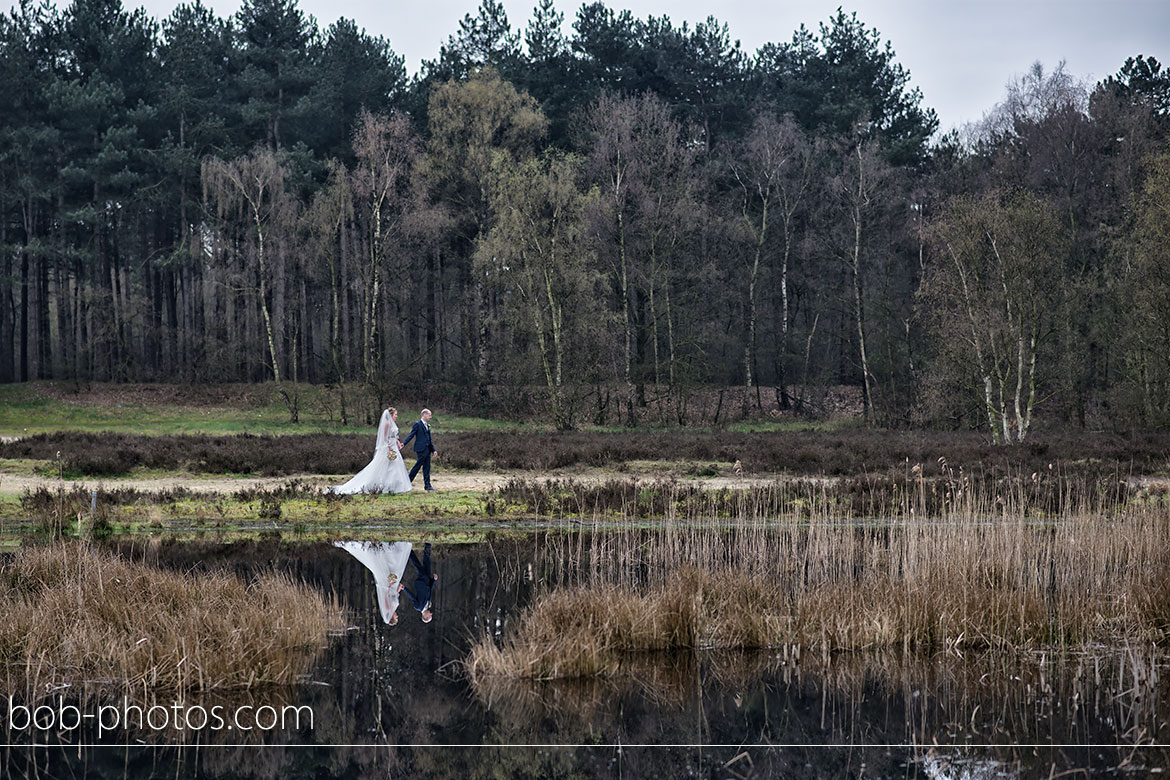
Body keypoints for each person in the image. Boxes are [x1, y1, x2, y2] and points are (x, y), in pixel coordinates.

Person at [327, 408, 412, 494]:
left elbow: (394, 436)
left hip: (394, 446)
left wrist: (398, 443)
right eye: (395, 415)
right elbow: (385, 437)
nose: (396, 416)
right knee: (385, 465)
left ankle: (395, 485)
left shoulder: (393, 424)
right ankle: (382, 484)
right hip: (388, 447)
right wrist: (389, 447)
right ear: (390, 415)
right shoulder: (387, 424)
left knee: (395, 465)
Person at [333, 541, 412, 626]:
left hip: (387, 584)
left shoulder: (389, 609)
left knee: (383, 565)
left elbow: (386, 597)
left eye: (396, 618)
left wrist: (389, 587)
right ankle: (387, 548)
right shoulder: (393, 608)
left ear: (391, 617)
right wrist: (398, 590)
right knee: (393, 568)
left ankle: (379, 548)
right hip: (391, 585)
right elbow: (393, 595)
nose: (397, 616)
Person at [398, 542, 437, 622]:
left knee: (417, 565)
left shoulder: (418, 606)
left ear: (425, 616)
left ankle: (408, 551)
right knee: (427, 563)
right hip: (427, 581)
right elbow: (430, 590)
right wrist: (434, 580)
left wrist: (404, 588)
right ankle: (427, 545)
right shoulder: (428, 605)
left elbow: (412, 597)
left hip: (421, 582)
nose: (431, 613)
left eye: (430, 616)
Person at [402, 408, 437, 491]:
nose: (430, 417)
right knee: (417, 466)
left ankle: (427, 485)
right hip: (421, 449)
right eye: (429, 415)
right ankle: (407, 482)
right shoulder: (417, 424)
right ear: (424, 415)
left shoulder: (427, 425)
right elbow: (411, 434)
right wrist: (404, 443)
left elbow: (429, 439)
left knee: (427, 467)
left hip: (427, 449)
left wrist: (433, 450)